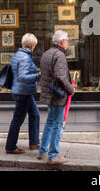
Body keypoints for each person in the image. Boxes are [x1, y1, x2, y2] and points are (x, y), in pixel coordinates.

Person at [38, 30, 74, 164]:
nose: (68, 42)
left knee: (50, 122)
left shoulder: (46, 54)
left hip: (49, 94)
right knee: (58, 125)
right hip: (58, 96)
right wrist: (70, 89)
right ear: (63, 41)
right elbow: (60, 77)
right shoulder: (60, 55)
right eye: (68, 40)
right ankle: (53, 155)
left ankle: (42, 151)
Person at [5, 33, 41, 154]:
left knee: (35, 114)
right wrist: (38, 75)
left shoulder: (18, 55)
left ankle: (34, 142)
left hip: (23, 91)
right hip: (23, 92)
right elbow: (23, 76)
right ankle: (10, 146)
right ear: (33, 45)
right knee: (18, 119)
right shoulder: (25, 57)